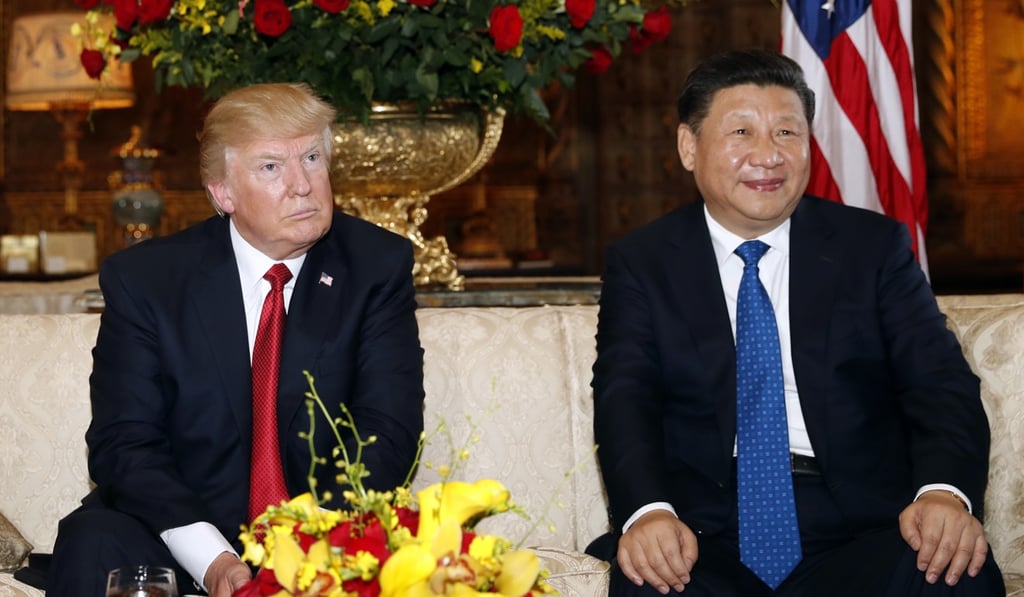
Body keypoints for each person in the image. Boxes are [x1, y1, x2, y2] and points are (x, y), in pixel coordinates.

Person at [589, 49, 1005, 596]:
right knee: (647, 580)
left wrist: (944, 494)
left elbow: (939, 382)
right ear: (689, 147)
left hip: (861, 526)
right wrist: (648, 511)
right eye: (741, 131)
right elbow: (625, 397)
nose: (768, 155)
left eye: (787, 132)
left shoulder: (872, 249)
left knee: (956, 572)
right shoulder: (642, 263)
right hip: (702, 533)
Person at [48, 83, 425, 596]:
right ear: (222, 192)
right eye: (271, 167)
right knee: (94, 542)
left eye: (312, 157)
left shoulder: (376, 266)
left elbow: (387, 434)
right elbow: (125, 442)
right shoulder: (149, 280)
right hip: (182, 529)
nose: (302, 185)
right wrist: (213, 559)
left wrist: (305, 549)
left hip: (323, 528)